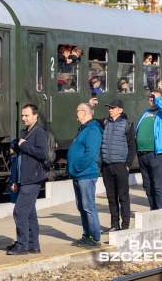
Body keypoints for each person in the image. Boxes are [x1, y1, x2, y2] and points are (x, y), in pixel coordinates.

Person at [6, 104, 48, 255]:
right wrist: (16, 181)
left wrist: (24, 145)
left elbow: (42, 153)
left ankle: (22, 246)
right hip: (25, 179)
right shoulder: (26, 132)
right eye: (22, 115)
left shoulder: (39, 132)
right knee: (29, 212)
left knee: (20, 212)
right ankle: (33, 245)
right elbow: (20, 160)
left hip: (33, 179)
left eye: (27, 116)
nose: (23, 118)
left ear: (35, 116)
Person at [97, 99, 135, 232]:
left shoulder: (127, 125)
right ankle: (114, 225)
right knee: (111, 197)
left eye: (113, 108)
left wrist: (128, 164)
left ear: (120, 110)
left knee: (123, 196)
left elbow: (132, 147)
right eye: (109, 108)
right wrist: (91, 105)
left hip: (120, 165)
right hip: (107, 166)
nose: (110, 110)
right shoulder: (105, 123)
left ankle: (125, 225)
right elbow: (92, 119)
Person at [136, 90, 162, 210]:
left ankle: (161, 213)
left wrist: (158, 99)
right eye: (150, 97)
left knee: (158, 186)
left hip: (156, 154)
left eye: (155, 97)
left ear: (161, 100)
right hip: (142, 155)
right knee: (148, 186)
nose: (152, 99)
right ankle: (153, 211)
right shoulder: (146, 113)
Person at [68, 103, 102, 247]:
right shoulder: (84, 129)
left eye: (77, 111)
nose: (76, 114)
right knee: (82, 206)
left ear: (85, 113)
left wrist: (77, 168)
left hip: (86, 174)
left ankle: (94, 237)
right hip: (79, 175)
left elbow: (91, 154)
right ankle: (86, 234)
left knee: (88, 206)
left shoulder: (92, 130)